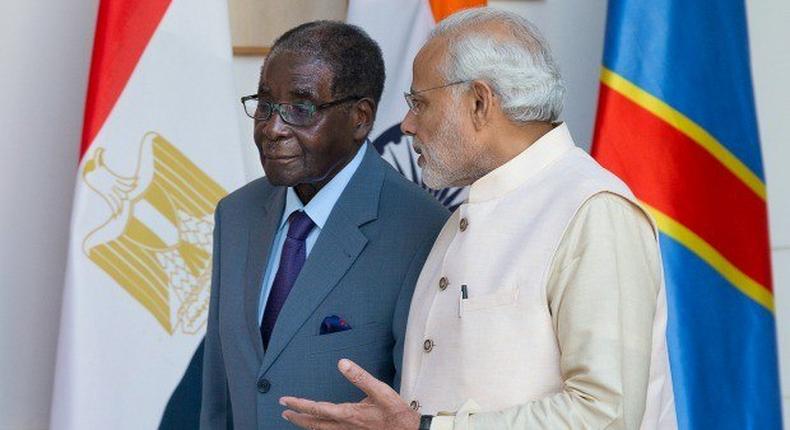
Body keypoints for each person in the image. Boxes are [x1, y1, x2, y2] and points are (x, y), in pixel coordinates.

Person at [280, 8, 676, 430]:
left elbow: (607, 415)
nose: (408, 125)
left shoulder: (593, 210)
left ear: (479, 102)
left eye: (420, 103)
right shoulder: (464, 215)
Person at [200, 21, 449, 429]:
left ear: (360, 118)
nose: (272, 128)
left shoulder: (422, 229)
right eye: (265, 104)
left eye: (301, 109)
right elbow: (219, 394)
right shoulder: (236, 214)